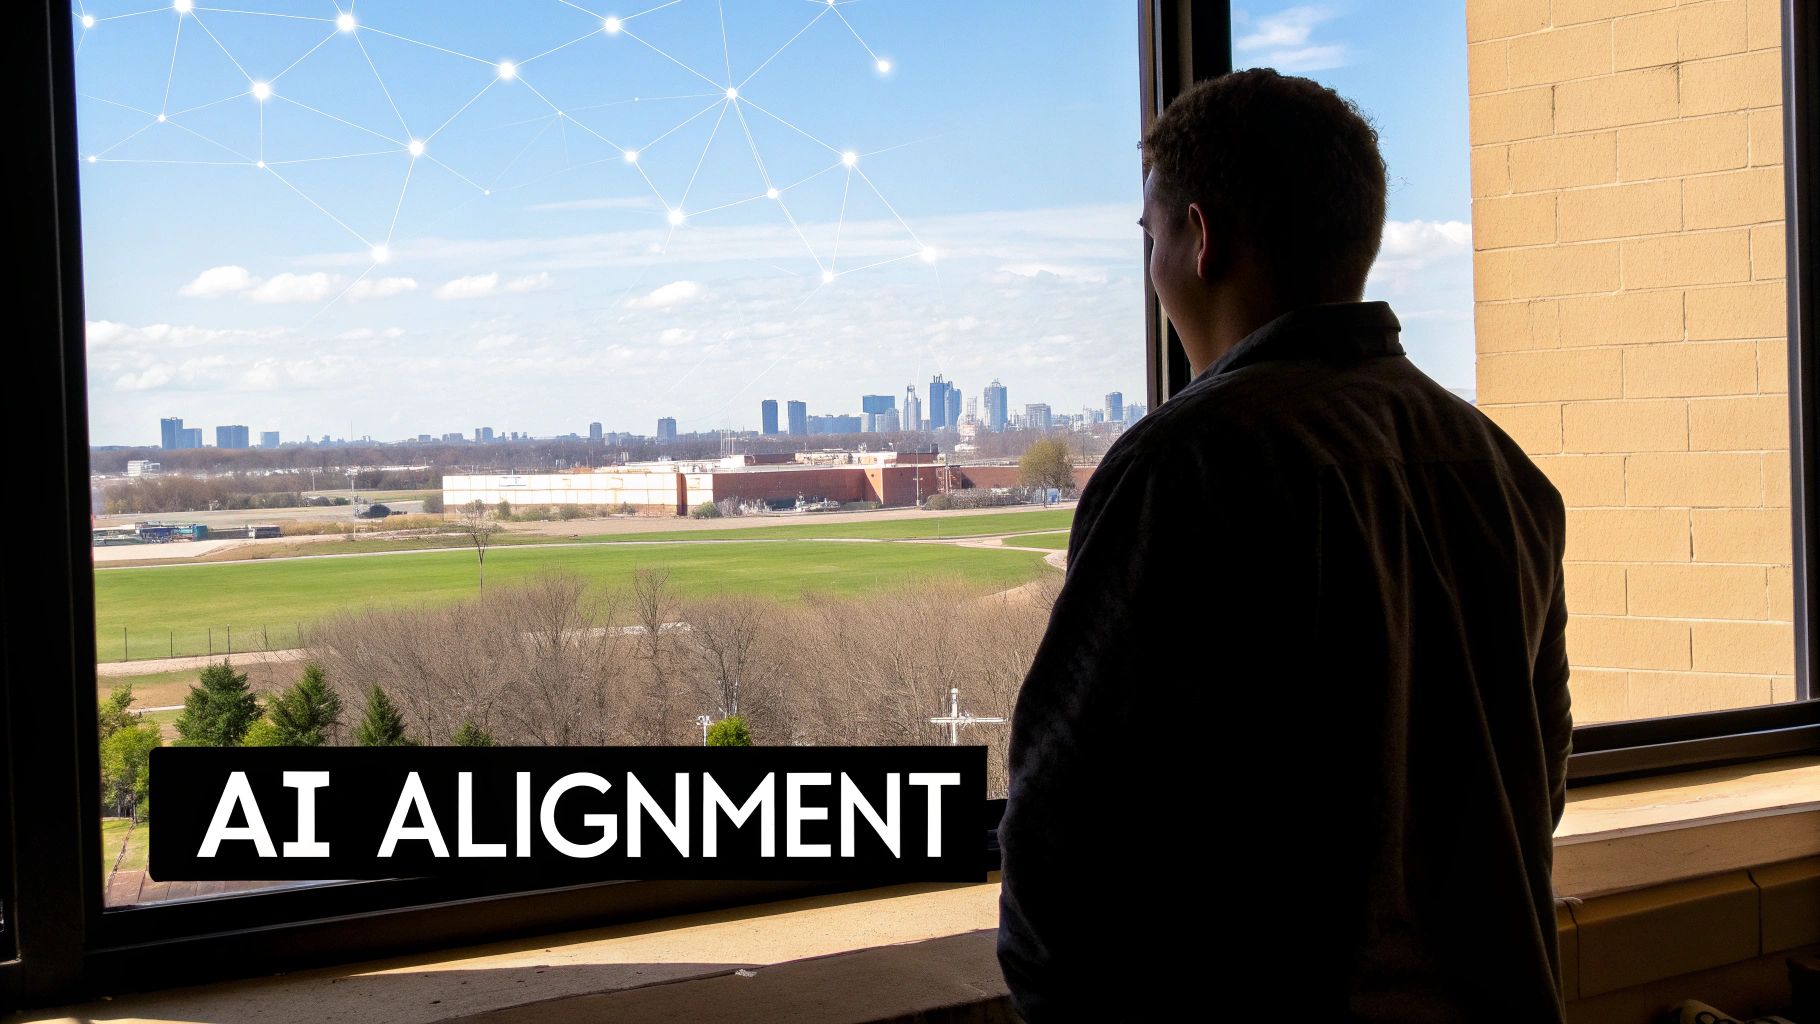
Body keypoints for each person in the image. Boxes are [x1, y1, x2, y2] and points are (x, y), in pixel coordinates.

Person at [995, 69, 1573, 1022]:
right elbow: (1531, 793)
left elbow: (1065, 843)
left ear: (1200, 238)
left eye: (1151, 236)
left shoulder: (1184, 468)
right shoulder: (1505, 474)